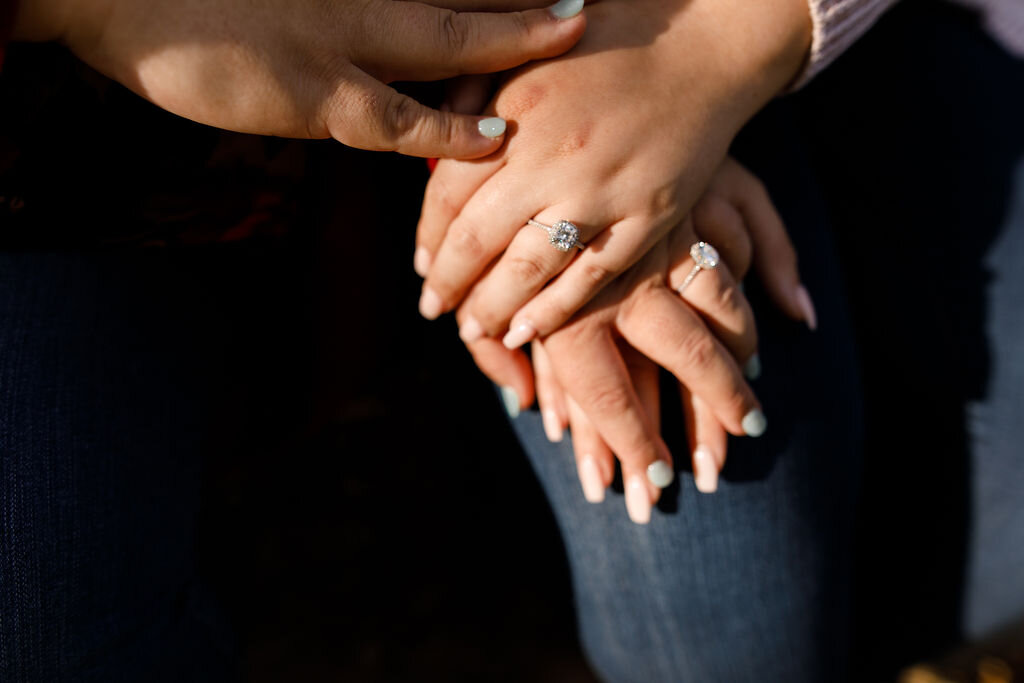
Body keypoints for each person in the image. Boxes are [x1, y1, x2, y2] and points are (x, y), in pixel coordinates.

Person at [415, 0, 1024, 678]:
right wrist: (542, 176)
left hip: (886, 27)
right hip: (523, 66)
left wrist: (711, 54)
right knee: (733, 636)